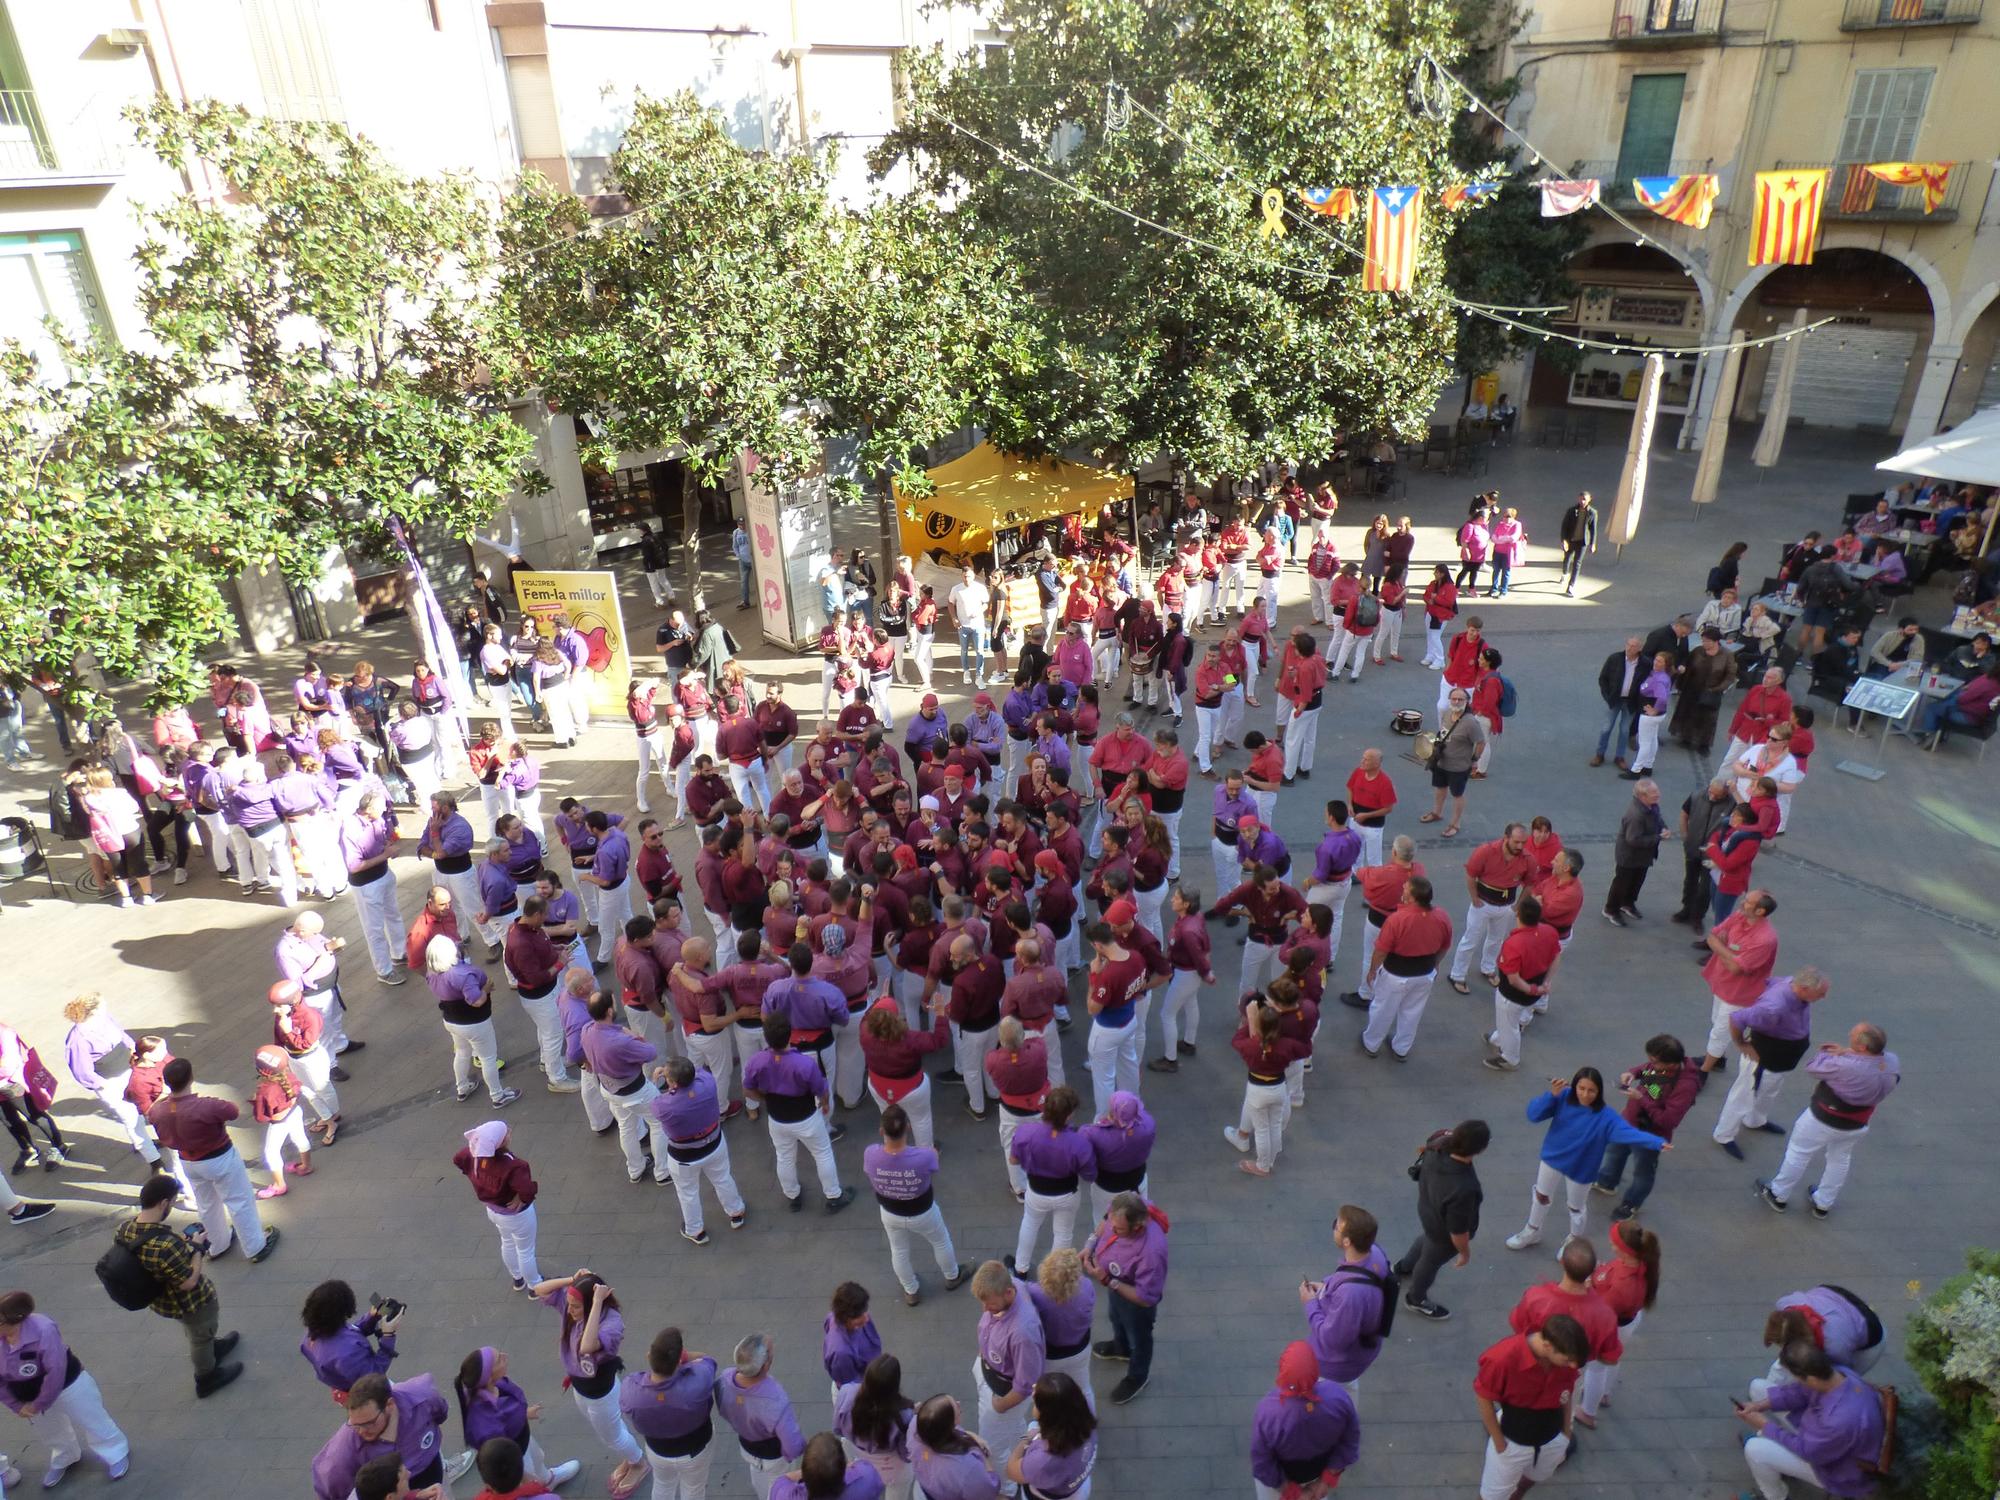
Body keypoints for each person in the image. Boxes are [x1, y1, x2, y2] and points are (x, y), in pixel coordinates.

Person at [112, 1174, 242, 1396]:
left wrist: (181, 1243)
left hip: (162, 1300)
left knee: (197, 1331)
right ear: (164, 1203)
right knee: (200, 1333)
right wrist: (198, 1248)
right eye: (172, 1202)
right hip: (190, 1302)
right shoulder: (164, 1245)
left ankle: (211, 1348)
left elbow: (152, 1257)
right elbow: (189, 1282)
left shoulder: (125, 1229)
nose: (172, 1206)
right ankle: (206, 1377)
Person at [1759, 1022, 1900, 1219]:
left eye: (1854, 1034)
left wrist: (1831, 1054)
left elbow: (1813, 1068)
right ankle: (1823, 1203)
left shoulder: (1844, 1065)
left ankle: (1778, 1194)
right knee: (1840, 1159)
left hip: (1823, 1119)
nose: (1850, 1032)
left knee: (1798, 1152)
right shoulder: (1891, 1061)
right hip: (1858, 1123)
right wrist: (1849, 1052)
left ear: (1862, 1047)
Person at [147, 1056, 280, 1263]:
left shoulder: (158, 1110)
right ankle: (255, 1246)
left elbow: (155, 1120)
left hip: (188, 1162)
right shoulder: (205, 1106)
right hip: (220, 1158)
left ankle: (218, 1244)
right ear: (191, 1078)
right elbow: (233, 1111)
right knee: (239, 1201)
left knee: (206, 1204)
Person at [524, 1272, 646, 1497]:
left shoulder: (611, 1322)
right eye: (569, 1305)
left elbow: (587, 1346)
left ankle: (638, 1462)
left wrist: (597, 1301)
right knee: (607, 1433)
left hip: (601, 1393)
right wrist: (572, 1281)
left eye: (576, 1307)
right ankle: (629, 1458)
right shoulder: (575, 1310)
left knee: (613, 1436)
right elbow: (540, 1289)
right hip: (581, 1387)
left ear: (591, 1305)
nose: (569, 1311)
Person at [0, 1289, 130, 1485]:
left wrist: (39, 1403)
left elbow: (56, 1370)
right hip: (29, 1396)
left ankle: (115, 1451)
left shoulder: (43, 1329)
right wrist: (16, 1406)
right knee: (49, 1430)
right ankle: (64, 1456)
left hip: (68, 1385)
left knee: (91, 1417)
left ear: (15, 1320)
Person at [1736, 1340, 1887, 1500]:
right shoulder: (1839, 1373)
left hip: (1836, 1470)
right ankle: (1774, 1453)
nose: (1797, 1381)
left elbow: (1806, 1451)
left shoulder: (1836, 1422)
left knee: (1755, 1450)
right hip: (1820, 1437)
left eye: (1797, 1378)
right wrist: (1759, 1406)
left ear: (1811, 1379)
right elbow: (1800, 1392)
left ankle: (1776, 1496)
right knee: (1758, 1387)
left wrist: (1765, 1425)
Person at [1712, 969, 1827, 1163]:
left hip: (1781, 1056)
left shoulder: (1791, 983)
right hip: (1764, 1055)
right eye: (1821, 993)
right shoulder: (1774, 1006)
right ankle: (1724, 1134)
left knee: (1770, 1088)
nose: (1823, 997)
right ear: (1804, 988)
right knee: (1744, 1094)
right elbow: (1737, 1018)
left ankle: (1756, 1120)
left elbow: (1771, 981)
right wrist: (1741, 1044)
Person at [744, 1015, 854, 1215]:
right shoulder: (804, 1064)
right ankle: (834, 1195)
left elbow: (748, 1090)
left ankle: (792, 1195)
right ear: (790, 1035)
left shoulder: (756, 1061)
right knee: (822, 1153)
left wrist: (765, 1099)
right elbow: (822, 1090)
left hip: (777, 1118)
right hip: (806, 1117)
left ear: (766, 1037)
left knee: (784, 1157)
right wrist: (826, 1103)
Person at [1471, 1316, 1588, 1500]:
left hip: (1552, 1439)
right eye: (1567, 1360)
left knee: (1533, 1478)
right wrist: (1499, 1443)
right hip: (1513, 1441)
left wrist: (1566, 1432)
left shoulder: (1565, 1358)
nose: (1572, 1366)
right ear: (1548, 1346)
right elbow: (1484, 1397)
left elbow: (1567, 1392)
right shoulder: (1502, 1358)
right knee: (1492, 1495)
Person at [1586, 1034, 1700, 1222]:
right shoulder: (1660, 1069)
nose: (1650, 1064)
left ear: (1671, 1064)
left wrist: (1641, 1099)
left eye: (1654, 1062)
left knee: (1643, 1172)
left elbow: (1668, 1120)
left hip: (1650, 1135)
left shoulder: (1685, 1086)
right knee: (1615, 1152)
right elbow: (1647, 1070)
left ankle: (1631, 1203)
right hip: (1628, 1122)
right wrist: (1633, 1073)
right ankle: (1607, 1181)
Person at [865, 1101, 965, 1307]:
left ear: (881, 1130)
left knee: (899, 1249)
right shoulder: (925, 1156)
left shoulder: (871, 1154)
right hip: (923, 1211)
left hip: (890, 1212)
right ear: (908, 1128)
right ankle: (952, 1275)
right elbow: (933, 1166)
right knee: (940, 1241)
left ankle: (911, 1289)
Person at [453, 1346, 582, 1493]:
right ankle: (539, 1490)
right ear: (489, 1376)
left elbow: (507, 1415)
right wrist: (522, 1477)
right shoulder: (485, 1425)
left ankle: (549, 1480)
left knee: (538, 1457)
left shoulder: (497, 1385)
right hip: (514, 1457)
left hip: (522, 1439)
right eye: (499, 1360)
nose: (505, 1356)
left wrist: (524, 1414)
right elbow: (500, 1455)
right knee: (530, 1479)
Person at [1394, 1118, 1487, 1320]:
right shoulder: (1464, 1188)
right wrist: (1464, 1252)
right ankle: (1416, 1298)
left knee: (1426, 1240)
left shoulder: (1437, 1142)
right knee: (1430, 1261)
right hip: (1444, 1231)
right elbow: (1458, 1231)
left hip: (1427, 1209)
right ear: (1479, 1150)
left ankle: (1403, 1267)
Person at [1298, 1207, 1394, 1399]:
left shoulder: (1350, 1295)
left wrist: (1310, 1303)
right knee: (1347, 1393)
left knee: (1329, 1402)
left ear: (1347, 1241)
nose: (1333, 1228)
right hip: (1361, 1352)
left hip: (1334, 1366)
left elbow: (1334, 1340)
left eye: (1337, 1226)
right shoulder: (1375, 1253)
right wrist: (1326, 1287)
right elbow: (1353, 1277)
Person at [652, 1055, 747, 1246]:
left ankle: (696, 1230)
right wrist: (675, 1071)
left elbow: (655, 1103)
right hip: (714, 1144)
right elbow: (698, 1071)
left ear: (672, 1083)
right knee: (723, 1178)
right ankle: (736, 1212)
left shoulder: (665, 1106)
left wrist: (657, 1080)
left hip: (684, 1157)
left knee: (688, 1193)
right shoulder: (708, 1083)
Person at [1081, 1191, 1165, 1406]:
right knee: (1115, 1316)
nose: (1113, 1231)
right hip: (1115, 1281)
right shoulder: (1122, 1207)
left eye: (1119, 1230)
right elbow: (1105, 1220)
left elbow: (1145, 1298)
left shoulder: (1151, 1253)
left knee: (1140, 1337)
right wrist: (1090, 1245)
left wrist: (1109, 1281)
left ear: (1137, 1227)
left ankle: (1138, 1376)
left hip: (1135, 1300)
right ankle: (1122, 1347)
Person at [61, 994, 163, 1167]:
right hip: (109, 1081)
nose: (106, 1008)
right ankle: (155, 1161)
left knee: (150, 1106)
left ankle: (156, 1141)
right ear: (91, 1013)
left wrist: (134, 1049)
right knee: (132, 1119)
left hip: (132, 1070)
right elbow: (83, 1072)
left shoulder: (105, 1019)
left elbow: (122, 1035)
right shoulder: (78, 1040)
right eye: (102, 1006)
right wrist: (105, 1085)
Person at [618, 1325, 718, 1500]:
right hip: (695, 1450)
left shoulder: (630, 1388)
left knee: (663, 1485)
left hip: (658, 1451)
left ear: (649, 1356)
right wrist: (684, 1357)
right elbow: (708, 1361)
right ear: (679, 1360)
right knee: (694, 1489)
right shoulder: (698, 1383)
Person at [1359, 873, 1451, 1060]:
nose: (1402, 891)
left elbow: (1381, 950)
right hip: (1424, 973)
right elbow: (1444, 946)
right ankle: (1401, 1048)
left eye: (1405, 889)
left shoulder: (1397, 919)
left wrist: (1372, 970)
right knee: (1412, 1012)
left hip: (1396, 974)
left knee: (1383, 1009)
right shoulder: (1442, 917)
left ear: (1411, 897)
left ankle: (1372, 1043)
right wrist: (1435, 966)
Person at [1249, 1342, 1359, 1500]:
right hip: (1317, 1477)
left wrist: (1294, 1493)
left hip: (1282, 1480)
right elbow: (1350, 1441)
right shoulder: (1338, 1397)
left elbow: (1262, 1462)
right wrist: (1326, 1480)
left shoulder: (1267, 1411)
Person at [1698, 890, 1781, 1079]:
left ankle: (1704, 1071)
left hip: (1740, 993)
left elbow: (1737, 969)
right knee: (1715, 1020)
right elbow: (1712, 937)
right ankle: (1717, 1058)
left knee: (1721, 1030)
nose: (1742, 903)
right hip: (1723, 983)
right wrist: (1731, 955)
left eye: (1748, 902)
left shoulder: (1764, 939)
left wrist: (1721, 948)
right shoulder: (1739, 917)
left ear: (1760, 911)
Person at [1223, 999, 1310, 1176]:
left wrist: (1250, 1020)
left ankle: (1263, 1166)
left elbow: (1236, 1040)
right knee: (1274, 1124)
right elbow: (1306, 1049)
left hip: (1257, 1090)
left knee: (1262, 1128)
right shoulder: (1286, 1045)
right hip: (1278, 1087)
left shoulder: (1252, 1045)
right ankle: (1271, 1157)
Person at [970, 1261, 1044, 1467]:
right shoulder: (1010, 1285)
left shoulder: (1023, 1333)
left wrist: (1000, 1406)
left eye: (990, 1304)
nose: (985, 1309)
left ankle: (1006, 1489)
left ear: (1009, 1293)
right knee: (1012, 1428)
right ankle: (1024, 1447)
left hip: (1003, 1394)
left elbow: (1026, 1384)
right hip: (988, 1370)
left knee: (991, 1447)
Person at [716, 1331, 806, 1500]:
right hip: (773, 1455)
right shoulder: (775, 1399)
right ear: (765, 1366)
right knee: (779, 1485)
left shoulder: (723, 1380)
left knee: (758, 1476)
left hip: (747, 1446)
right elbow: (791, 1444)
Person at [452, 1121, 540, 1292]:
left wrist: (471, 1175)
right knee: (526, 1250)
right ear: (500, 1142)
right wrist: (522, 1198)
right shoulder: (513, 1165)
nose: (509, 1132)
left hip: (493, 1211)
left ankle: (517, 1279)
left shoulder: (472, 1153)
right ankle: (535, 1285)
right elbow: (527, 1189)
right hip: (517, 1215)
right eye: (505, 1132)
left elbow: (458, 1159)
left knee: (507, 1242)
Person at [1483, 894, 1562, 1073]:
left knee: (1509, 1024)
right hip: (1535, 986)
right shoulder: (1549, 932)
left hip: (1513, 994)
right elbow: (1556, 956)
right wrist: (1545, 984)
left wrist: (1533, 990)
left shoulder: (1513, 944)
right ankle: (1497, 1039)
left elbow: (1513, 978)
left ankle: (1510, 1059)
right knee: (1511, 1020)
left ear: (1518, 914)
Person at [1002, 1373, 1096, 1500]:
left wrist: (1026, 1439)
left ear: (1046, 1415)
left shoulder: (1043, 1460)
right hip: (1078, 1486)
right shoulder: (1086, 1413)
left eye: (1035, 1403)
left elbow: (1011, 1471)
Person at [299, 1279, 398, 1400]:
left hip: (345, 1388)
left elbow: (349, 1333)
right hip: (370, 1395)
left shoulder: (313, 1334)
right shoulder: (347, 1353)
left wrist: (371, 1318)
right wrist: (388, 1336)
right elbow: (375, 1374)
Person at [1671, 779, 1735, 937]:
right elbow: (1684, 813)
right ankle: (1686, 909)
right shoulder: (1696, 796)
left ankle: (1697, 916)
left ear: (1726, 793)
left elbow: (1739, 822)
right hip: (1693, 847)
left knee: (1705, 888)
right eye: (1711, 792)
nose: (1712, 797)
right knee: (1690, 881)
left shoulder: (1732, 804)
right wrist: (1685, 835)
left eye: (1717, 795)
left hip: (1713, 853)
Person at [908, 1394, 999, 1500]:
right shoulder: (968, 1468)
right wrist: (985, 1459)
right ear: (950, 1425)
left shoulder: (914, 1426)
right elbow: (987, 1491)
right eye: (956, 1407)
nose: (959, 1403)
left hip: (924, 1490)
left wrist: (970, 1434)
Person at [1420, 689, 1485, 838]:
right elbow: (1442, 732)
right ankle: (1437, 813)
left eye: (1460, 699)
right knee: (1440, 788)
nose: (1456, 702)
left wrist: (1474, 760)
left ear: (1466, 702)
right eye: (1453, 699)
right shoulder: (1448, 714)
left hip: (1458, 766)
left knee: (1457, 794)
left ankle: (1455, 824)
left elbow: (1481, 742)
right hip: (1441, 761)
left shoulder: (1470, 722)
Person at [1600, 779, 1663, 928]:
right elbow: (1633, 840)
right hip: (1629, 856)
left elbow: (1658, 819)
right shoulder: (1636, 815)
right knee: (1621, 884)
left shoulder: (1652, 806)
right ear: (1642, 796)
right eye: (1654, 793)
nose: (1658, 794)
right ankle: (1611, 909)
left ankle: (1627, 903)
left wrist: (1662, 828)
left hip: (1643, 855)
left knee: (1637, 880)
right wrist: (1657, 837)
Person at [1557, 491, 1596, 596]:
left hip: (1583, 542)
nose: (1583, 501)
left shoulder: (1592, 512)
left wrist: (1593, 543)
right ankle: (1565, 573)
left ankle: (1571, 586)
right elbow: (1564, 526)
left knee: (1577, 563)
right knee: (1567, 558)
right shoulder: (1572, 511)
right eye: (1581, 499)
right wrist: (1564, 540)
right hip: (1571, 540)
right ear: (1578, 499)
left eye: (1585, 499)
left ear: (1589, 500)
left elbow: (1593, 529)